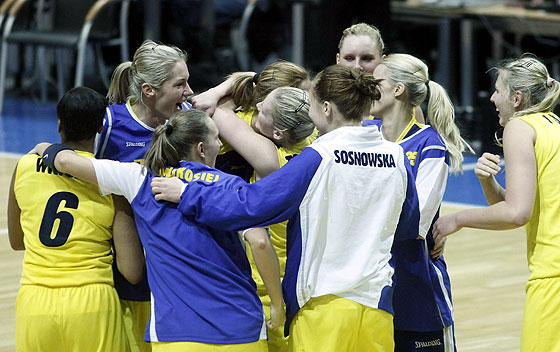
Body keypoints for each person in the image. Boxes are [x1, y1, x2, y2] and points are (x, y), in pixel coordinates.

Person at [150, 65, 421, 351]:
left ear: (327, 108)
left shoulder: (319, 157)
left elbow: (251, 205)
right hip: (377, 304)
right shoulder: (397, 156)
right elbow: (407, 227)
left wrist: (189, 194)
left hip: (323, 306)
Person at [33, 109, 285, 351]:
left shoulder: (140, 178)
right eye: (216, 138)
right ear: (201, 148)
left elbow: (65, 160)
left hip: (175, 334)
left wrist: (43, 148)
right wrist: (276, 302)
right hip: (240, 329)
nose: (220, 144)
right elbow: (260, 243)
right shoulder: (231, 185)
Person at [432, 54, 560, 352]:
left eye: (498, 90)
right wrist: (488, 182)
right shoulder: (554, 124)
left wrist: (457, 218)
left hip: (553, 276)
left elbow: (516, 214)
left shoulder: (520, 127)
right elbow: (518, 205)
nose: (492, 98)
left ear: (517, 98)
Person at [7, 87, 144, 351]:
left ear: (59, 124)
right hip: (92, 302)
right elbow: (132, 271)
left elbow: (16, 241)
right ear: (101, 127)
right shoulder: (111, 181)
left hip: (35, 302)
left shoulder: (23, 166)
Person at [368, 53, 473, 351]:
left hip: (416, 283)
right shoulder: (364, 136)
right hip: (370, 284)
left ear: (398, 90)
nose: (369, 90)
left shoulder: (430, 146)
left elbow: (417, 222)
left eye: (377, 83)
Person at [95, 39, 193, 352]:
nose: (189, 92)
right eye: (180, 84)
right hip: (125, 265)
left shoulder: (186, 119)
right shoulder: (109, 124)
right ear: (149, 91)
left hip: (173, 261)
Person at [336, 23, 425, 124]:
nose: (357, 66)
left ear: (383, 61)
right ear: (338, 60)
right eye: (349, 58)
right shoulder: (321, 98)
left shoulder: (403, 106)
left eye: (367, 59)